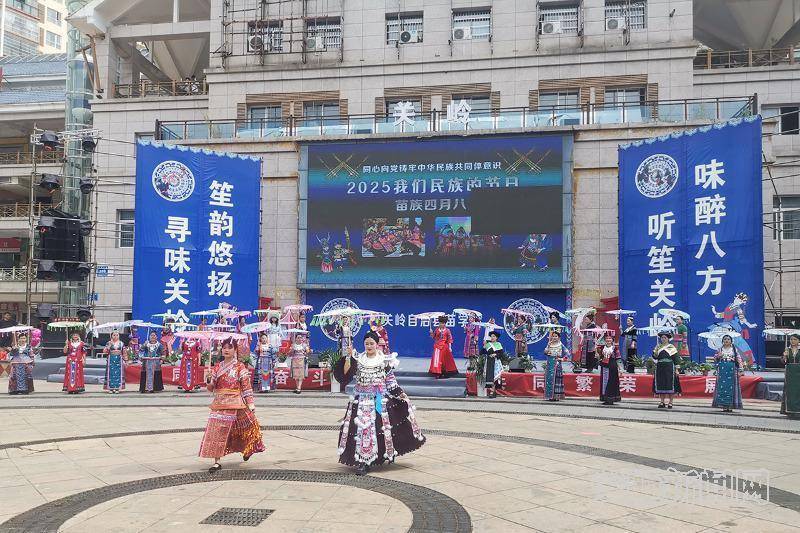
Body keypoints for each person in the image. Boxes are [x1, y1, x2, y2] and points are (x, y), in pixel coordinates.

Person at [333, 330, 425, 475]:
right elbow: (345, 376)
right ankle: (362, 462)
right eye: (366, 344)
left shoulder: (383, 362)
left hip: (378, 401)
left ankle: (376, 457)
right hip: (360, 401)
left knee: (377, 430)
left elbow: (391, 382)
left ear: (377, 344)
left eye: (371, 343)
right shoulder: (358, 360)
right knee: (361, 431)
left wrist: (401, 394)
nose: (369, 346)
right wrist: (348, 357)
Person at [200, 338, 265, 473]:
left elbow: (246, 386)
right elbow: (211, 388)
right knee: (216, 432)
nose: (226, 350)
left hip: (237, 403)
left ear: (235, 350)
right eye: (224, 347)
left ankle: (248, 449)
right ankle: (217, 462)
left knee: (248, 427)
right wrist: (209, 380)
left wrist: (250, 403)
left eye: (229, 347)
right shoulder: (217, 367)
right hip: (219, 403)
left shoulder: (240, 367)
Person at [712, 334, 743, 412]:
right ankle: (723, 405)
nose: (726, 340)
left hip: (732, 370)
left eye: (728, 339)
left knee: (732, 387)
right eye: (725, 339)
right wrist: (718, 356)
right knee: (722, 387)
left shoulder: (734, 350)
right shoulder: (720, 349)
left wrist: (741, 369)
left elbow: (739, 359)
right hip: (722, 371)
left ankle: (731, 406)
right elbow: (715, 359)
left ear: (731, 341)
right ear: (722, 341)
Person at [652, 332, 681, 408]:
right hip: (660, 367)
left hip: (669, 367)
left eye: (665, 338)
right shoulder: (658, 347)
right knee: (661, 384)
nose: (663, 339)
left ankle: (670, 402)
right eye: (662, 338)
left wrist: (677, 369)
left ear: (668, 339)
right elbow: (655, 357)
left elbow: (676, 359)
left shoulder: (671, 347)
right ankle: (662, 402)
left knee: (670, 384)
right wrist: (654, 353)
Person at [543, 329, 569, 401]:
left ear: (559, 337)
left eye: (556, 336)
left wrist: (562, 359)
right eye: (553, 336)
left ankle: (556, 396)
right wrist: (547, 349)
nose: (554, 337)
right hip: (549, 363)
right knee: (549, 379)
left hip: (557, 364)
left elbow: (567, 353)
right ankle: (549, 396)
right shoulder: (549, 344)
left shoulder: (561, 344)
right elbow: (545, 352)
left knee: (556, 379)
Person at [479, 330, 505, 397]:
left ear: (496, 338)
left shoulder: (498, 344)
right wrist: (484, 347)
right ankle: (492, 391)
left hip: (496, 363)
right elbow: (481, 353)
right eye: (491, 336)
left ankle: (493, 391)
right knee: (489, 376)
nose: (492, 337)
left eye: (494, 336)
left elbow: (502, 354)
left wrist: (495, 354)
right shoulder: (488, 344)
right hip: (489, 362)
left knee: (495, 377)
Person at [598, 333, 621, 405]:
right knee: (604, 382)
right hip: (604, 367)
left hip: (612, 367)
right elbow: (600, 357)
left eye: (610, 338)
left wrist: (620, 369)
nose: (608, 340)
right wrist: (598, 356)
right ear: (605, 340)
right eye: (607, 338)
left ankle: (611, 399)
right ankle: (605, 398)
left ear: (612, 340)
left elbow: (618, 359)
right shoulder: (602, 348)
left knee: (611, 382)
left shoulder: (615, 348)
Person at [782, 333, 800, 417]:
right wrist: (784, 357)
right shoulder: (787, 350)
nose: (792, 341)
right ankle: (789, 410)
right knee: (790, 391)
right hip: (790, 373)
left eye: (795, 339)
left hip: (798, 372)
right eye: (791, 339)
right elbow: (784, 362)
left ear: (798, 341)